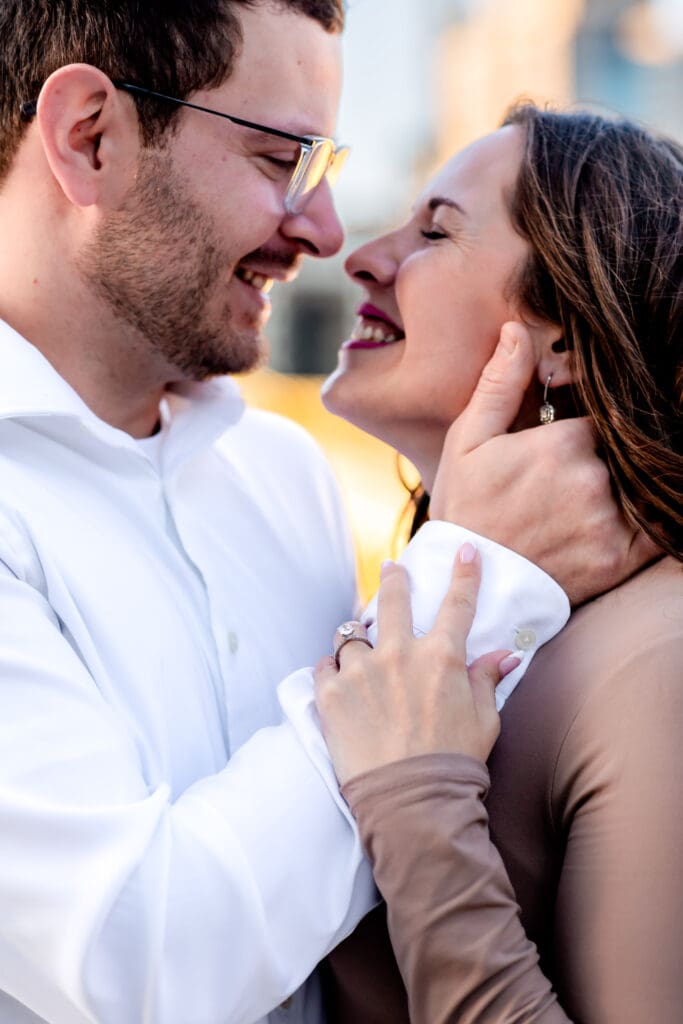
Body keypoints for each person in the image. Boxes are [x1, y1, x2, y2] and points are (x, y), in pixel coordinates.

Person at [0, 1, 652, 1020]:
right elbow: (139, 965)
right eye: (277, 159)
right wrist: (468, 575)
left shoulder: (282, 474)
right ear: (91, 138)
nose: (327, 231)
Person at [310, 105, 683, 1022]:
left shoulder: (657, 663)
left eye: (434, 229)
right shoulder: (433, 605)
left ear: (559, 339)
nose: (362, 254)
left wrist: (418, 806)